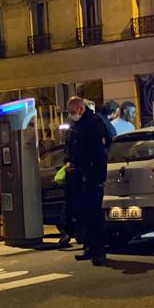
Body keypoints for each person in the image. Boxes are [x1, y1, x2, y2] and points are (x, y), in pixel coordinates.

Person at [64, 96, 108, 266]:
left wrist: (96, 177)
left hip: (91, 176)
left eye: (72, 111)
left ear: (80, 109)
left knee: (94, 214)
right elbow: (72, 146)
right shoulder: (79, 124)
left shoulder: (93, 124)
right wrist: (68, 161)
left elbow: (97, 153)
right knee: (85, 214)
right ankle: (90, 247)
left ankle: (99, 251)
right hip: (79, 175)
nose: (70, 115)